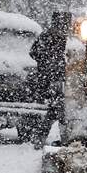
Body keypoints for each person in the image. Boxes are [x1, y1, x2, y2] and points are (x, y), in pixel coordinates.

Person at [28, 11, 69, 148]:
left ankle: (40, 138)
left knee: (54, 109)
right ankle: (64, 139)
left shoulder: (45, 36)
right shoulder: (66, 39)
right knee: (59, 109)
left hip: (48, 77)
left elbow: (33, 52)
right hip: (59, 78)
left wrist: (44, 63)